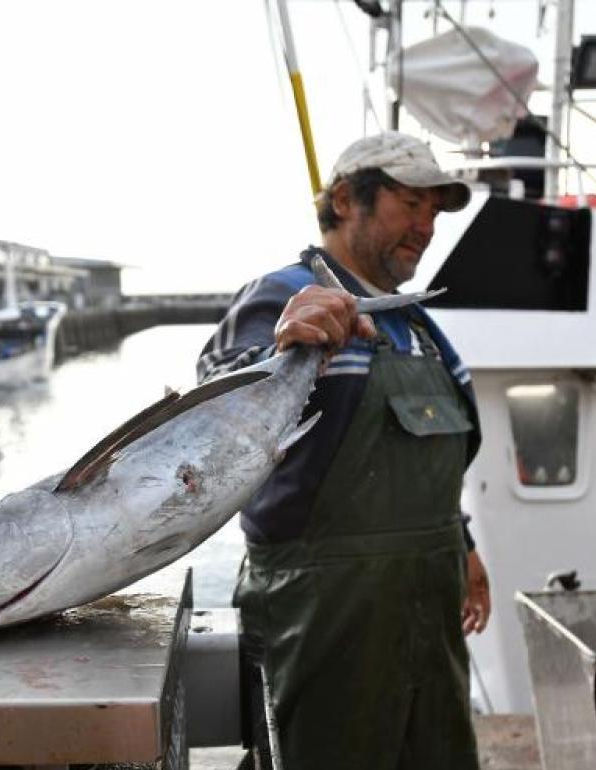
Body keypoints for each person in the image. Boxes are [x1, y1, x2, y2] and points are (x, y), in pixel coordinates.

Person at [197, 131, 491, 769]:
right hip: (322, 623)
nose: (426, 226)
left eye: (434, 211)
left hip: (430, 622)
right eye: (410, 203)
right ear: (345, 200)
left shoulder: (417, 324)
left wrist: (462, 545)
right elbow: (207, 421)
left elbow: (436, 459)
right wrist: (281, 350)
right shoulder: (280, 294)